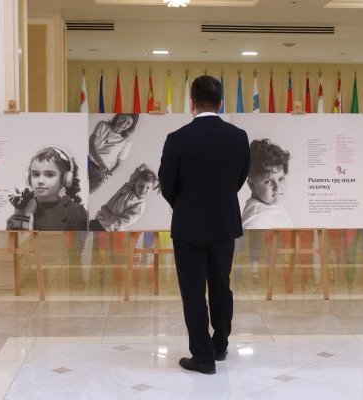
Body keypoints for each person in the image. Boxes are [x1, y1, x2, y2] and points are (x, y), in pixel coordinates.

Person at [158, 75, 250, 375]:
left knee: (194, 291)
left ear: (192, 103)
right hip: (224, 223)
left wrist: (185, 204)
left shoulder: (177, 138)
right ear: (220, 103)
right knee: (221, 285)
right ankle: (220, 344)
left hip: (189, 225)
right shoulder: (238, 137)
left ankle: (202, 356)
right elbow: (239, 178)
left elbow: (166, 184)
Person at [7, 147, 88, 231]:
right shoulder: (22, 208)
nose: (40, 181)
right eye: (36, 174)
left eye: (49, 175)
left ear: (64, 180)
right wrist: (25, 214)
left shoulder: (77, 213)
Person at [88, 164, 159, 231]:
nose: (143, 189)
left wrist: (104, 211)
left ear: (151, 189)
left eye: (148, 188)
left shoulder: (139, 208)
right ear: (135, 183)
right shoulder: (130, 186)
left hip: (107, 230)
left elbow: (116, 223)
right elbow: (143, 166)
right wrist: (159, 179)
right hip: (98, 221)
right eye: (141, 186)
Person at [241, 138, 293, 229]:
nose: (277, 187)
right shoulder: (255, 221)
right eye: (268, 181)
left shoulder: (270, 204)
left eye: (281, 179)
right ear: (251, 184)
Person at [88, 113, 139, 194]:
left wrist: (105, 177)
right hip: (87, 162)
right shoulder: (102, 125)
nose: (124, 123)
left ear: (130, 127)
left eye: (128, 123)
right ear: (119, 115)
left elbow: (119, 164)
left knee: (82, 197)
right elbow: (91, 144)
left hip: (99, 173)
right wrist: (101, 163)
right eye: (123, 118)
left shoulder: (126, 142)